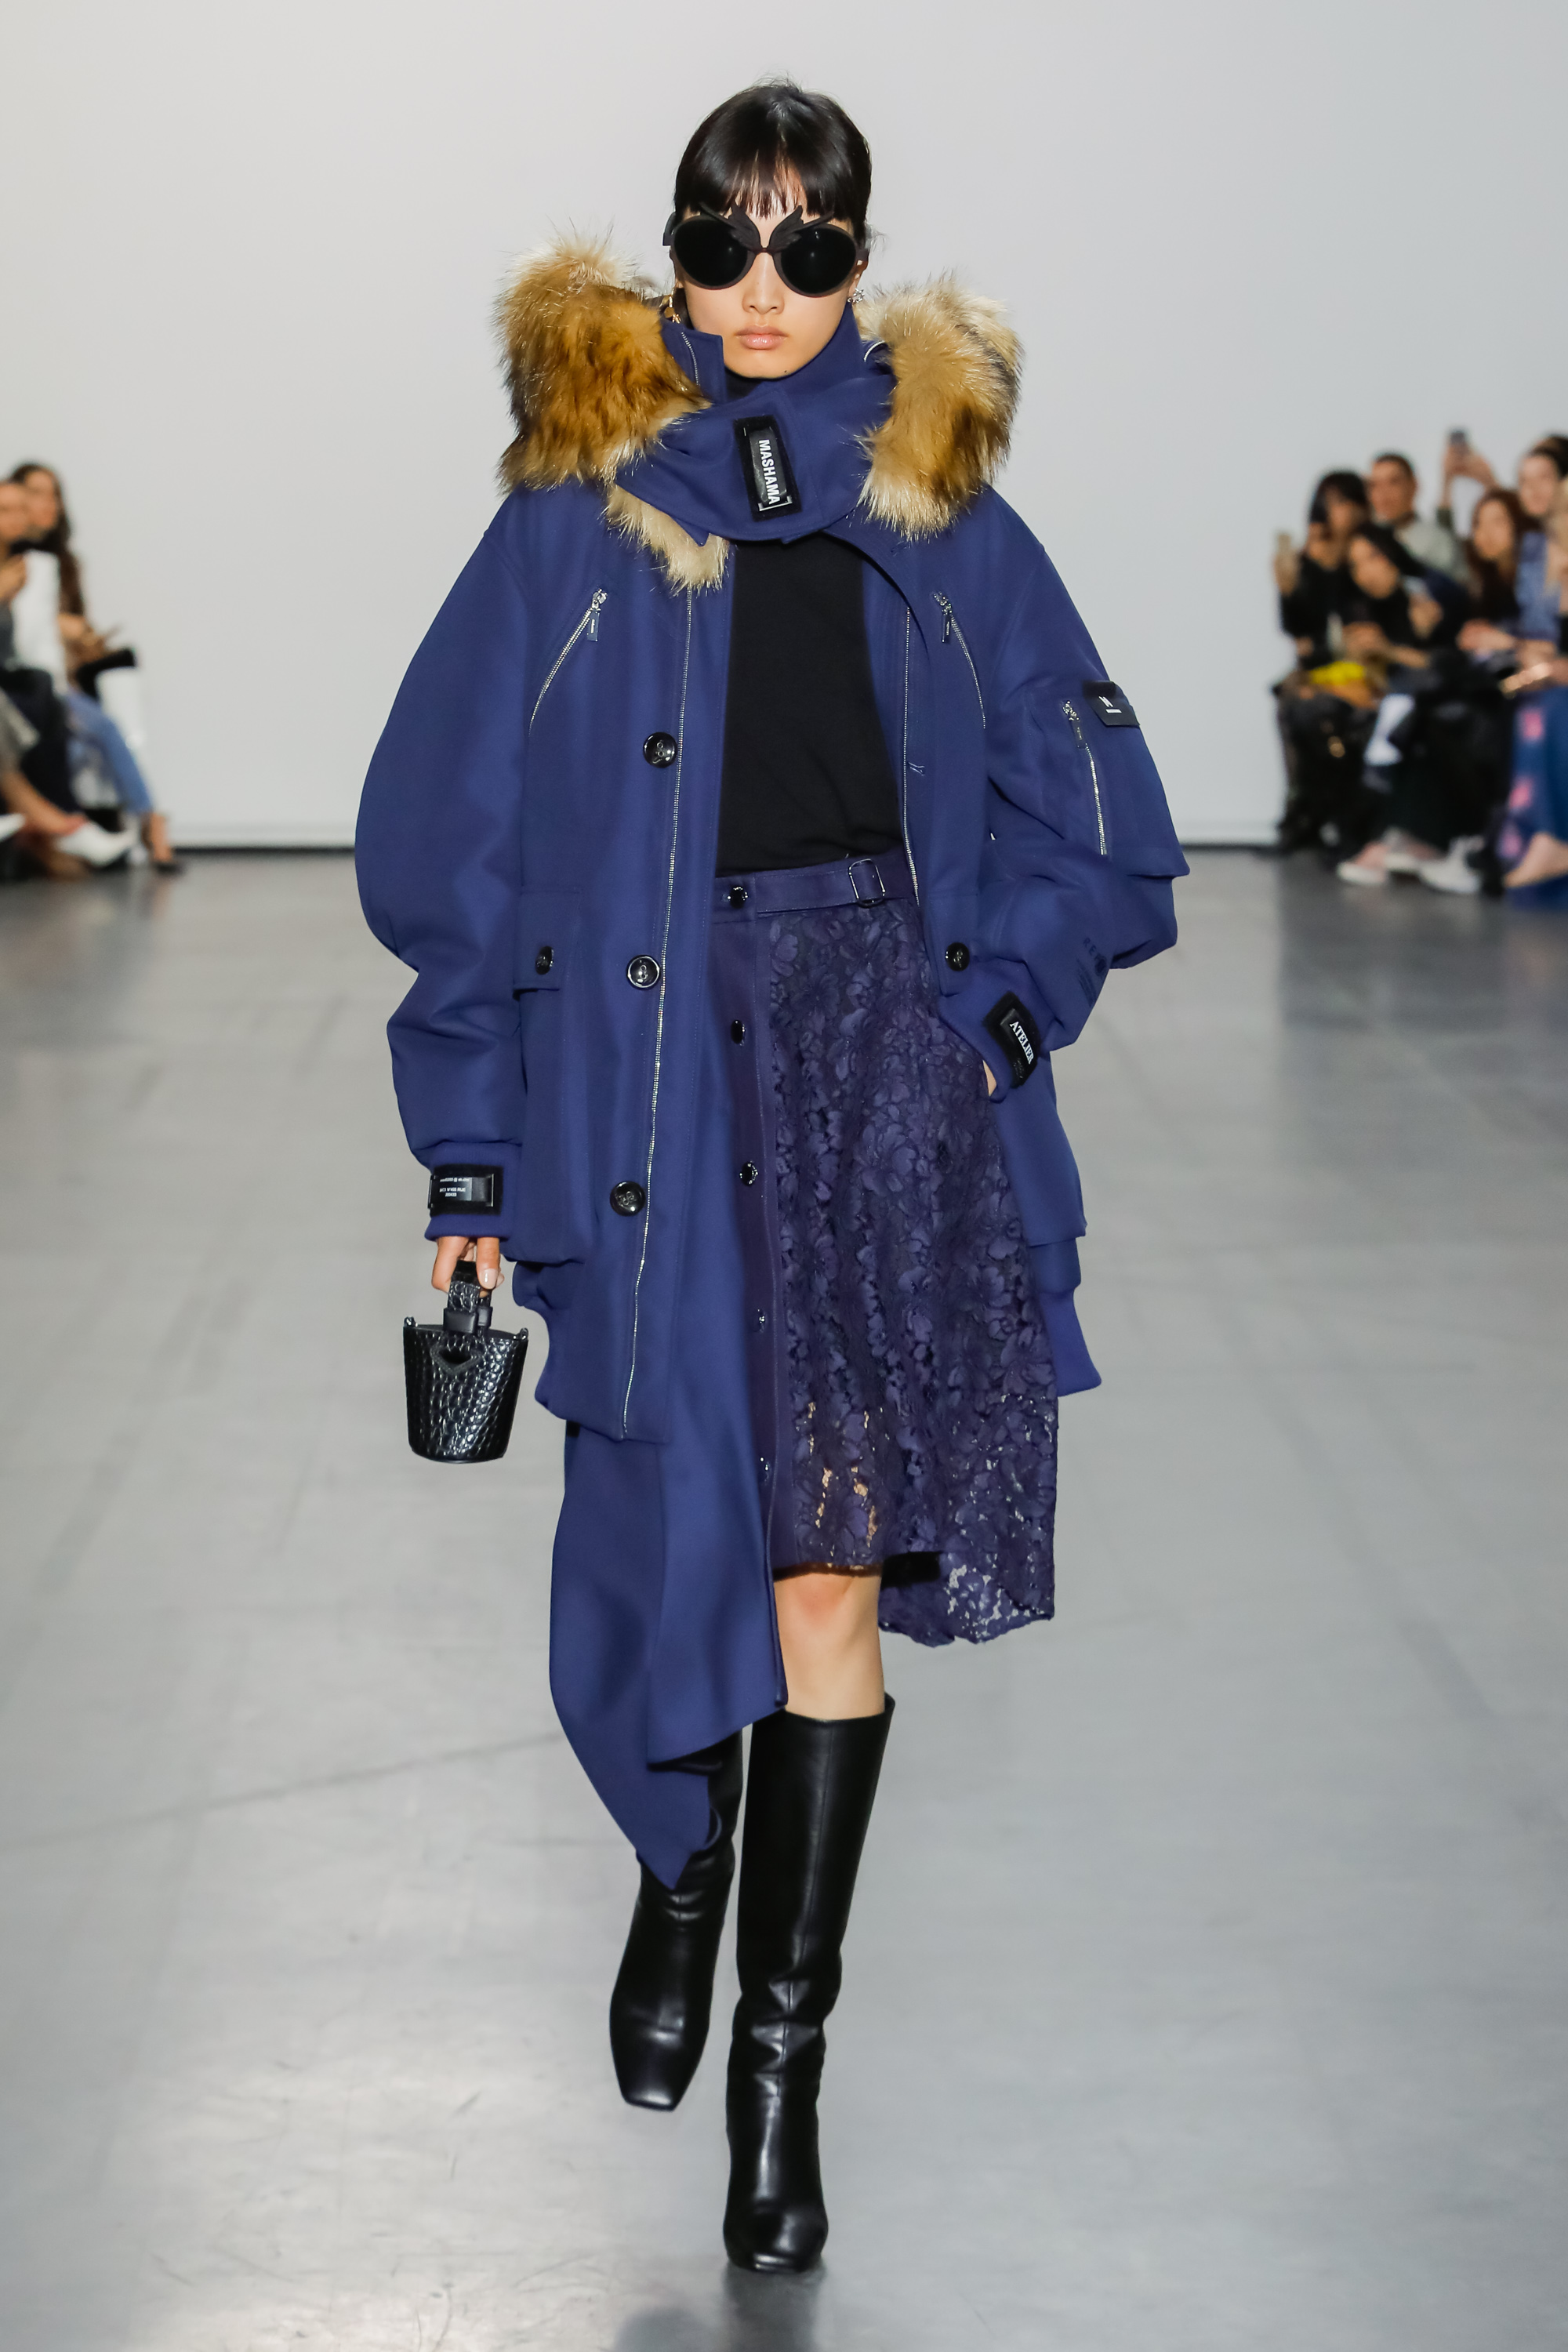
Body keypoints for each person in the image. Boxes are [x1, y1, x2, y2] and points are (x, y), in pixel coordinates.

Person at [356, 80, 1185, 2274]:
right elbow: (451, 848)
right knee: (669, 1538)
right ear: (674, 252)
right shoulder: (577, 509)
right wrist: (468, 1154)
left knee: (826, 1564)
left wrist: (990, 1015)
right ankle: (682, 1863)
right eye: (721, 242)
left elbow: (1096, 824)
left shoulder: (944, 506)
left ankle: (779, 2067)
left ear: (858, 263)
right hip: (646, 1080)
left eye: (806, 249)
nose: (757, 288)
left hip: (875, 1076)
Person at [7, 463, 182, 872]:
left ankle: (106, 824)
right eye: (34, 494)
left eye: (52, 495)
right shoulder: (21, 568)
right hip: (32, 680)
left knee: (109, 705)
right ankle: (144, 821)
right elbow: (27, 641)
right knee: (100, 727)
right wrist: (59, 629)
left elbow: (42, 640)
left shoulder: (54, 565)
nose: (44, 505)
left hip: (52, 677)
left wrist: (80, 641)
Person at [0, 481, 132, 872]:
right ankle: (54, 820)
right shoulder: (16, 575)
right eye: (6, 509)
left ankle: (59, 819)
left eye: (19, 508)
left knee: (43, 690)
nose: (18, 516)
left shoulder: (27, 568)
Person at [1333, 523, 1458, 885]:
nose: (1365, 572)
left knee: (1397, 713)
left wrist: (1388, 649)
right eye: (1356, 565)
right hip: (1401, 692)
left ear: (1392, 555)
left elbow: (1445, 663)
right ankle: (1370, 832)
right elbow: (1384, 672)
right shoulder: (1366, 603)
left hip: (1443, 689)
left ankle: (1383, 835)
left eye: (1373, 558)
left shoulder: (1426, 591)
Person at [1366, 450, 1467, 583]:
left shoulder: (1439, 541)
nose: (1383, 493)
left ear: (1414, 486)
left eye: (1393, 482)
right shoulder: (1363, 542)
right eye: (1375, 485)